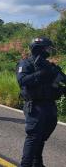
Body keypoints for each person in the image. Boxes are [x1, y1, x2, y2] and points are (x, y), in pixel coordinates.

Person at [17, 37, 66, 167]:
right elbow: (22, 81)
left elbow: (62, 81)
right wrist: (41, 74)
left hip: (50, 106)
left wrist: (59, 84)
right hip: (35, 106)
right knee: (33, 137)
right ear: (39, 49)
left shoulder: (50, 66)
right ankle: (26, 164)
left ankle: (37, 162)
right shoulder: (26, 63)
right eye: (46, 48)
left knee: (42, 137)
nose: (49, 50)